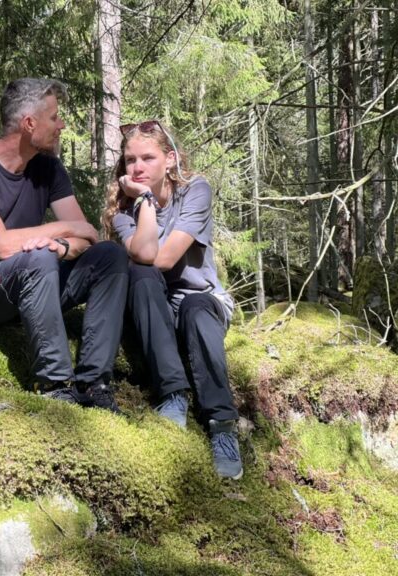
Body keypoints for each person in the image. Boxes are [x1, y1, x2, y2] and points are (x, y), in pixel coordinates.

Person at [0, 78, 128, 412]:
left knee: (110, 256)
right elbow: (0, 245)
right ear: (29, 124)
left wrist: (62, 246)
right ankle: (55, 384)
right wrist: (62, 231)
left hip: (39, 278)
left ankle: (94, 382)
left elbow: (88, 238)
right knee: (38, 257)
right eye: (54, 117)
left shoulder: (48, 168)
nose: (62, 125)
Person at [102, 119, 243, 479]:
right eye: (130, 159)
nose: (137, 167)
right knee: (141, 273)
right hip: (153, 307)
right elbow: (147, 257)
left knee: (195, 308)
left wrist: (145, 199)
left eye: (147, 157)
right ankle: (173, 396)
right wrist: (144, 200)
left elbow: (165, 258)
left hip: (200, 299)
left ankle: (222, 427)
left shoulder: (195, 190)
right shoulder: (123, 212)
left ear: (169, 159)